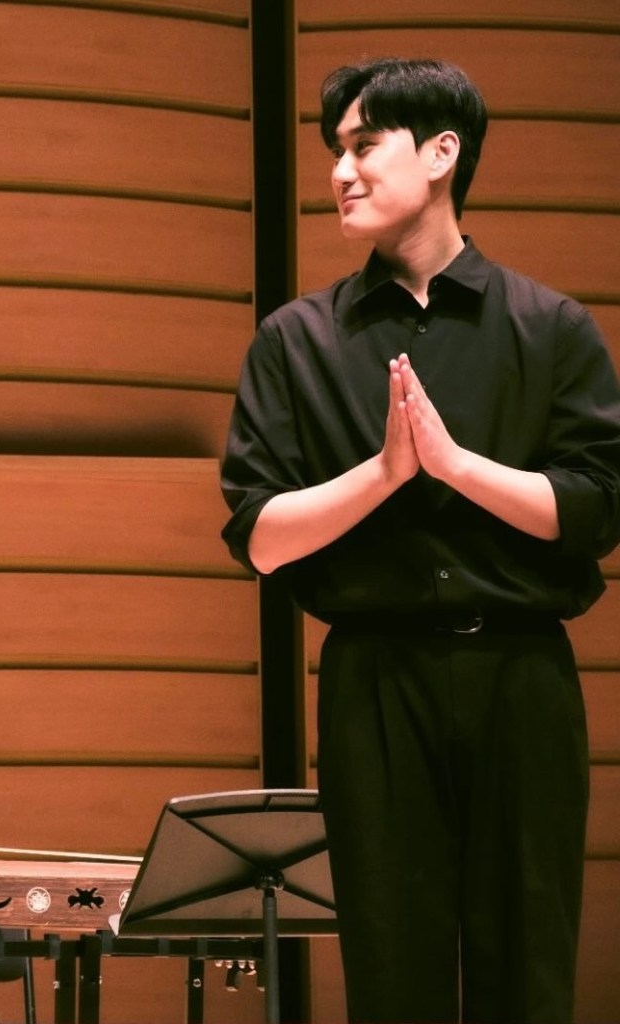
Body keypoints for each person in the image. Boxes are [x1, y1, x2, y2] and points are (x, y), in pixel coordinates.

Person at [220, 57, 620, 1023]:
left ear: (442, 154)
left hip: (522, 677)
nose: (340, 173)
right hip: (375, 680)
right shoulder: (296, 340)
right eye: (335, 152)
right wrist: (385, 473)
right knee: (392, 973)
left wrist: (455, 466)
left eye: (364, 146)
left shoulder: (551, 327)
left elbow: (598, 511)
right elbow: (261, 538)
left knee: (528, 968)